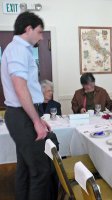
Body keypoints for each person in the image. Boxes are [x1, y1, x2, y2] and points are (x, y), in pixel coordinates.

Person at [1, 12, 52, 200]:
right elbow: (20, 88)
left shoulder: (18, 49)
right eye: (39, 32)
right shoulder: (18, 50)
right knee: (40, 171)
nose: (41, 36)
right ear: (28, 29)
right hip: (21, 115)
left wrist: (37, 118)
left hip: (22, 114)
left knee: (25, 168)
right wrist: (36, 121)